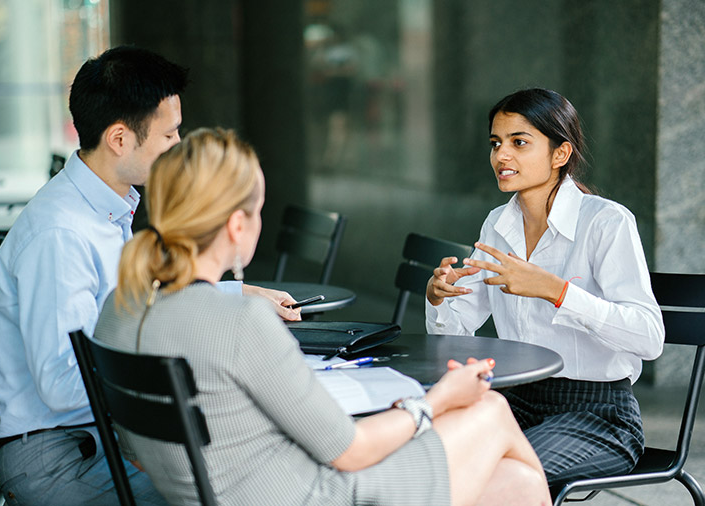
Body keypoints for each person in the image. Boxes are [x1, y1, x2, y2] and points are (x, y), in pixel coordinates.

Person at [94, 128, 551, 506]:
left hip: (233, 492)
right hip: (320, 495)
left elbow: (135, 452)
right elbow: (349, 453)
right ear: (237, 226)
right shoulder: (240, 321)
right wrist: (438, 401)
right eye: (258, 212)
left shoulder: (120, 308)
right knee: (490, 408)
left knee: (518, 486)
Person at [0, 46, 298, 506]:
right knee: (246, 489)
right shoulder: (60, 235)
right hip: (62, 461)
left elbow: (135, 304)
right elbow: (61, 384)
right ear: (119, 139)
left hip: (102, 439)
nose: (178, 147)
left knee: (260, 468)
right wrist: (181, 370)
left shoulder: (103, 208)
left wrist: (231, 293)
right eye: (169, 135)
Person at [425, 88, 664, 486]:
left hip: (597, 414)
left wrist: (557, 291)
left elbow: (650, 337)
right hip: (511, 401)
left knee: (493, 477)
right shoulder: (497, 225)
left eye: (519, 142)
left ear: (560, 154)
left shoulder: (606, 222)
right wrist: (439, 298)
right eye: (496, 143)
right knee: (420, 462)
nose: (501, 156)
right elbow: (453, 336)